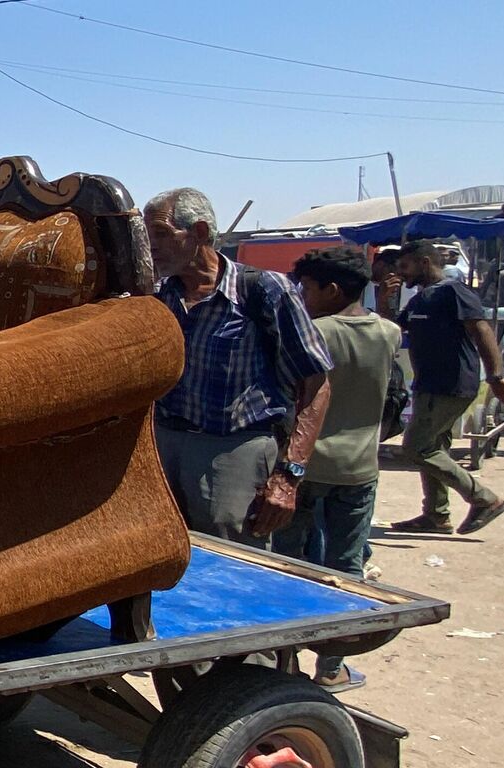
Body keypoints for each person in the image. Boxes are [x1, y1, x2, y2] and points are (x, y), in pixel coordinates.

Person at [146, 188, 333, 548]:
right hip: (164, 446)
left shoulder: (262, 290)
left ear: (199, 232)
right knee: (162, 551)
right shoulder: (158, 295)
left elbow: (316, 383)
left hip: (233, 452)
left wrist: (288, 475)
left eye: (162, 234)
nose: (152, 246)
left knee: (228, 560)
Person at [276, 247, 401, 692]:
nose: (302, 296)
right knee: (345, 568)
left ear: (331, 290)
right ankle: (331, 665)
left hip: (306, 468)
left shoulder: (314, 332)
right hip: (360, 469)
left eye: (307, 288)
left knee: (288, 564)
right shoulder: (389, 332)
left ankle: (283, 661)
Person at [389, 241, 504, 535]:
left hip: (450, 384)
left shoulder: (452, 291)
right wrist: (384, 299)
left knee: (417, 448)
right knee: (434, 449)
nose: (400, 273)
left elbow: (481, 329)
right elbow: (392, 330)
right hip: (428, 383)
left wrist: (496, 376)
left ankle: (485, 499)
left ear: (423, 262)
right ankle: (436, 516)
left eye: (404, 266)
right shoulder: (420, 299)